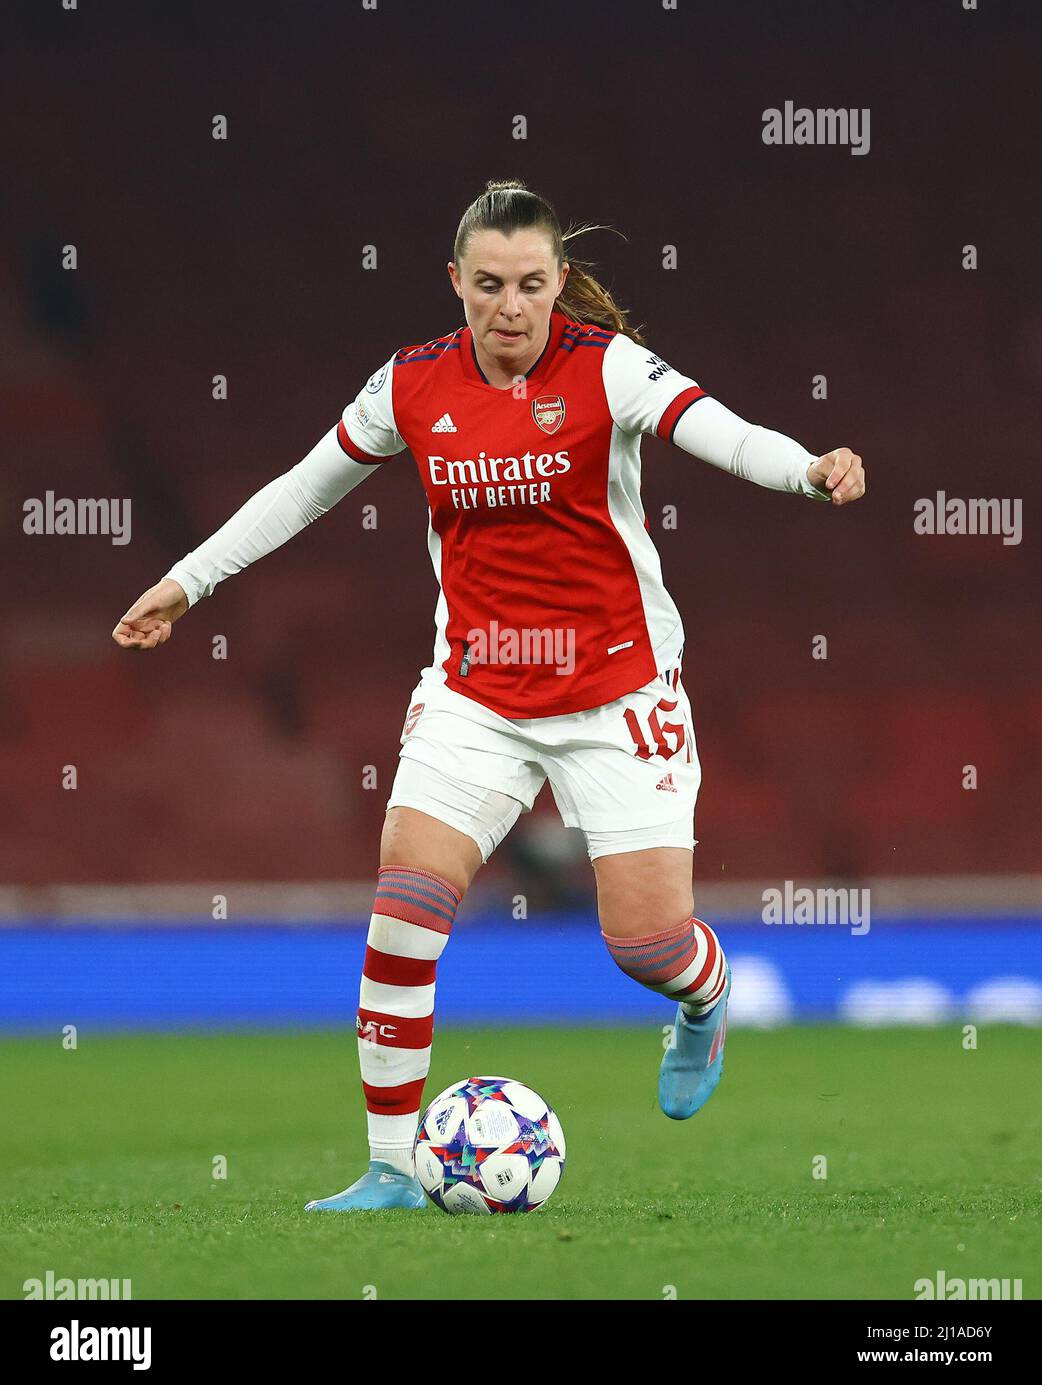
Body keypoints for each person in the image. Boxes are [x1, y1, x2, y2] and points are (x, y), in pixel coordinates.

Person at [112, 178, 866, 1212]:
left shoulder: (606, 368)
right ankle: (387, 1166)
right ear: (455, 283)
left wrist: (803, 468)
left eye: (530, 285)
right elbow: (300, 488)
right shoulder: (411, 385)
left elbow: (715, 427)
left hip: (617, 691)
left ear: (559, 283)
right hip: (476, 693)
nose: (510, 308)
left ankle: (705, 995)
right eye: (488, 285)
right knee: (405, 906)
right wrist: (187, 580)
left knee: (645, 945)